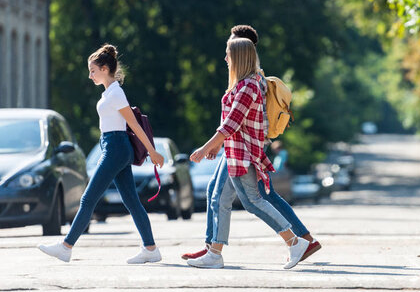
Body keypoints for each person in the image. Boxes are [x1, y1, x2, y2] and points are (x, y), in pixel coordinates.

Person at [181, 25, 320, 262]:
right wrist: (216, 146)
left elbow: (232, 124)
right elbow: (231, 123)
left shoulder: (248, 86)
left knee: (254, 201)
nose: (225, 58)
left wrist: (205, 148)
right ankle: (215, 252)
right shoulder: (244, 84)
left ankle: (297, 242)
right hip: (236, 151)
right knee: (229, 198)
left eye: (228, 53)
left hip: (243, 153)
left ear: (239, 56)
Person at [38, 44, 165, 263]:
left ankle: (66, 246)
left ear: (105, 69)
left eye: (93, 71)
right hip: (112, 146)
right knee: (131, 201)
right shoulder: (109, 93)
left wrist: (152, 152)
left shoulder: (116, 93)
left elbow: (133, 124)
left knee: (88, 198)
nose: (90, 75)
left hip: (116, 148)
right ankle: (151, 249)